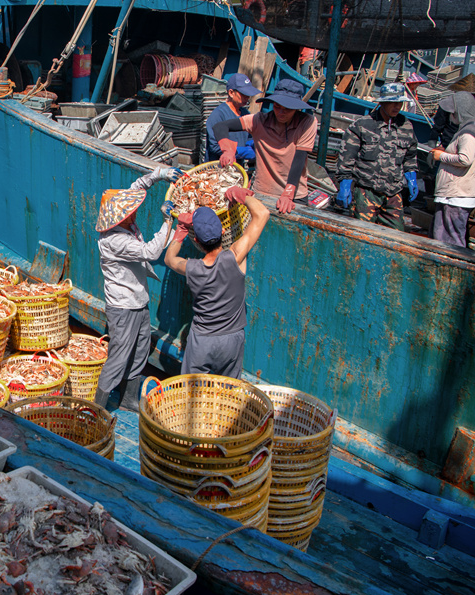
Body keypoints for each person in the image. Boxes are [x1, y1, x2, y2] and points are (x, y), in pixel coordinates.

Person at [93, 166, 184, 411]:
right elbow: (151, 252)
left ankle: (128, 399)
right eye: (130, 212)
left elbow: (136, 188)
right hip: (123, 307)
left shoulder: (125, 223)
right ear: (120, 218)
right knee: (119, 357)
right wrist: (168, 222)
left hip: (139, 301)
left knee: (140, 349)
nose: (135, 212)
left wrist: (159, 174)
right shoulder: (114, 240)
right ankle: (97, 411)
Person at [163, 187, 270, 378]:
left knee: (190, 389)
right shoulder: (235, 256)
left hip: (202, 341)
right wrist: (242, 196)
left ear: (196, 240)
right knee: (227, 391)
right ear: (222, 231)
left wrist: (180, 231)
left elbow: (170, 259)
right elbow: (262, 214)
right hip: (232, 339)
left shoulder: (193, 268)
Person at [213, 78, 318, 214]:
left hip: (294, 195)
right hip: (262, 192)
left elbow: (299, 159)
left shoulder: (307, 123)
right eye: (277, 107)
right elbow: (220, 126)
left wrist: (288, 194)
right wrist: (227, 150)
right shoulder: (259, 120)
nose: (281, 113)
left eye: (287, 109)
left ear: (296, 109)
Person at [334, 82, 419, 231]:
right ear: (382, 103)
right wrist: (345, 185)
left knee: (396, 237)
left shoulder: (406, 126)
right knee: (361, 234)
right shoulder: (362, 126)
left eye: (400, 102)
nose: (397, 107)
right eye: (392, 103)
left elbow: (410, 156)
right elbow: (347, 158)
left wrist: (412, 178)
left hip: (393, 192)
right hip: (367, 191)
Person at [429, 92, 475, 247]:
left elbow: (465, 159)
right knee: (440, 237)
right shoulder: (467, 127)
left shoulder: (469, 132)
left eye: (453, 112)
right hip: (451, 193)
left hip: (456, 195)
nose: (451, 115)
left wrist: (441, 156)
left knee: (451, 241)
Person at [205, 73, 262, 164]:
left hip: (238, 168)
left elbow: (249, 139)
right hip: (219, 169)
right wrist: (237, 151)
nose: (247, 98)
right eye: (243, 94)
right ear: (231, 93)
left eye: (248, 95)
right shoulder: (218, 115)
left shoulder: (245, 114)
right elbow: (214, 146)